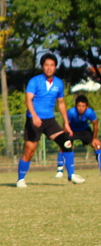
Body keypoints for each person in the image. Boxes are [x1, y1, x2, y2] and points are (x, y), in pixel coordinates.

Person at [17, 53, 79, 187]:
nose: (49, 68)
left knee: (66, 143)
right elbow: (28, 100)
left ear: (55, 67)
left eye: (52, 65)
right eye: (46, 65)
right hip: (34, 120)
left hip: (50, 121)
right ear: (42, 67)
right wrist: (34, 115)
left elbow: (61, 103)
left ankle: (72, 175)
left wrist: (66, 123)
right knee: (29, 150)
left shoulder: (58, 83)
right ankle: (21, 179)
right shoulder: (34, 81)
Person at [55, 94, 101, 180]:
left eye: (83, 106)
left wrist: (94, 138)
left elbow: (95, 124)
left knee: (97, 145)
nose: (81, 108)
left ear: (86, 106)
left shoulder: (90, 112)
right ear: (76, 106)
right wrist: (65, 137)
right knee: (64, 146)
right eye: (79, 106)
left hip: (84, 130)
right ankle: (59, 170)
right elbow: (65, 124)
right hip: (72, 130)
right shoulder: (71, 112)